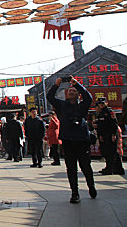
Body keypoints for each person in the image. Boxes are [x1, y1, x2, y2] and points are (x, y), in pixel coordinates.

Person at [47, 76, 96, 204]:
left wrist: (77, 84)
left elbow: (89, 97)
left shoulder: (83, 106)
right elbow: (50, 97)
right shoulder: (62, 105)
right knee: (71, 168)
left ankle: (91, 186)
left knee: (86, 166)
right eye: (70, 91)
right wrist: (56, 85)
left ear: (78, 95)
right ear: (66, 95)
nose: (71, 92)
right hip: (68, 141)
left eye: (74, 91)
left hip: (82, 140)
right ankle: (75, 193)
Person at [95, 97, 125, 175]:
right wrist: (100, 135)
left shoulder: (109, 112)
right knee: (106, 152)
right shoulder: (100, 113)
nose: (101, 105)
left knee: (112, 153)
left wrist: (113, 134)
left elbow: (114, 124)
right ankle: (109, 167)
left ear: (106, 103)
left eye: (103, 103)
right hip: (104, 135)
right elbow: (101, 125)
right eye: (100, 104)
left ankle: (111, 169)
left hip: (110, 135)